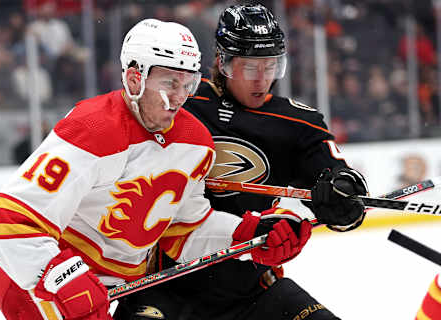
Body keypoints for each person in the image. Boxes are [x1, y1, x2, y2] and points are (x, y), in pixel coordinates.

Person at [0, 18, 312, 320]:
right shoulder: (93, 129)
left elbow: (182, 230)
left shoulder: (194, 141)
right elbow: (12, 223)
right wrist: (61, 278)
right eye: (170, 82)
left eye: (187, 84)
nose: (179, 98)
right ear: (134, 78)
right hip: (36, 282)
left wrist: (245, 234)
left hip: (114, 287)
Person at [124, 4, 369, 320]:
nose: (262, 80)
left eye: (271, 67)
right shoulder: (177, 101)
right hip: (166, 289)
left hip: (253, 292)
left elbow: (343, 194)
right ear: (222, 62)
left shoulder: (295, 122)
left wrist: (342, 195)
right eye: (251, 68)